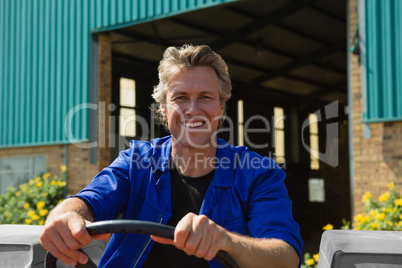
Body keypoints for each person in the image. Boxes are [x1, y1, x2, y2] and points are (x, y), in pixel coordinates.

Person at [40, 44, 303, 267]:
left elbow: (286, 257)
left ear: (221, 107)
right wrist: (67, 214)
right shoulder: (136, 162)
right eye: (180, 98)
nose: (192, 109)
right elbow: (89, 200)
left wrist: (227, 241)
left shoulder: (258, 173)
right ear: (164, 109)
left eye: (205, 97)